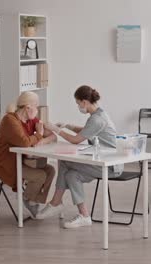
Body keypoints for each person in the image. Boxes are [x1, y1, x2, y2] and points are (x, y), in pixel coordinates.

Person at [37, 85, 124, 229]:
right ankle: (84, 215)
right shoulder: (98, 114)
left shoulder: (97, 119)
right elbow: (87, 131)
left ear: (84, 102)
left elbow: (76, 140)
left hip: (109, 165)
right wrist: (68, 126)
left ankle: (55, 203)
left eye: (78, 103)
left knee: (64, 161)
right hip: (100, 159)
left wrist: (57, 130)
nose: (78, 106)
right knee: (71, 176)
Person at [0, 91, 56, 218]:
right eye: (36, 107)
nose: (37, 110)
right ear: (27, 108)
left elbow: (53, 136)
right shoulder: (10, 120)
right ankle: (27, 198)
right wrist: (38, 135)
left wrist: (41, 140)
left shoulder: (30, 120)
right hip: (6, 164)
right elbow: (25, 142)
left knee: (51, 170)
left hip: (22, 160)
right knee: (40, 175)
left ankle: (32, 200)